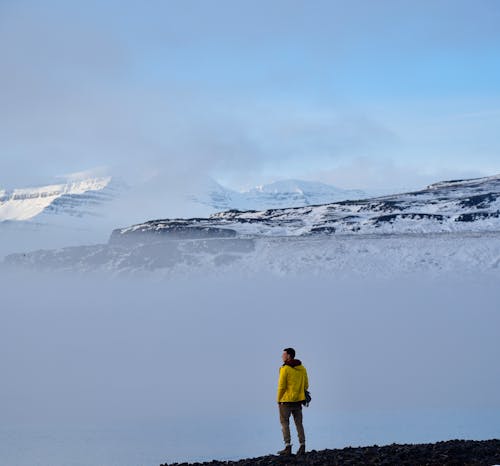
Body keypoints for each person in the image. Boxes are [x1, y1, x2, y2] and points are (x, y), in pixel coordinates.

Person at [276, 347, 309, 456]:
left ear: (289, 356)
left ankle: (287, 446)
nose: (282, 356)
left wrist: (278, 399)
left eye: (284, 354)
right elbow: (306, 385)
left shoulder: (284, 368)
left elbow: (281, 386)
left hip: (285, 400)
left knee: (285, 423)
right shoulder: (302, 368)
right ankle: (302, 445)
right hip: (298, 401)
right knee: (299, 423)